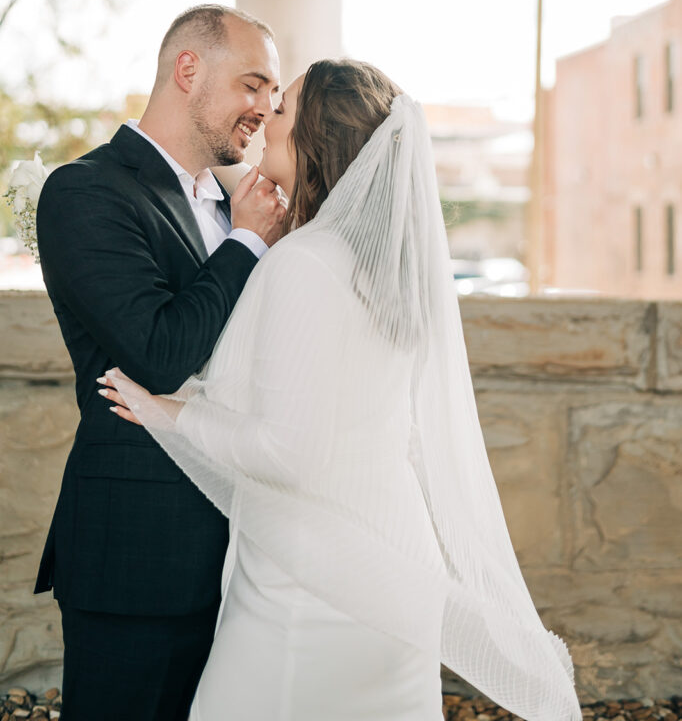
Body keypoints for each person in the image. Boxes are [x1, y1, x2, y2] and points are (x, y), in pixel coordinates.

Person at [103, 58, 583, 721]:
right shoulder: (387, 275)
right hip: (393, 570)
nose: (266, 117)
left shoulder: (303, 264)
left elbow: (285, 450)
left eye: (284, 110)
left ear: (314, 141)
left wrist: (171, 414)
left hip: (312, 587)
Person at [35, 5, 286, 721]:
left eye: (273, 95)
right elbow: (158, 353)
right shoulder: (89, 191)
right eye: (252, 84)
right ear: (188, 71)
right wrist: (244, 245)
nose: (265, 108)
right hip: (139, 551)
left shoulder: (228, 202)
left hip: (241, 553)